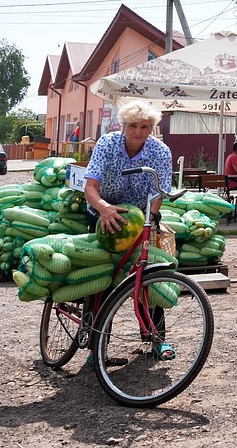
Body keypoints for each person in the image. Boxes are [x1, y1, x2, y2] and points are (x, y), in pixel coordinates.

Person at [83, 98, 176, 360]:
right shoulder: (107, 144)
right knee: (101, 278)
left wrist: (150, 218)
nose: (138, 132)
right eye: (133, 125)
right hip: (103, 213)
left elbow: (159, 191)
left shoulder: (160, 152)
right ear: (123, 126)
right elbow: (90, 187)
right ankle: (95, 347)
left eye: (145, 126)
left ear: (152, 129)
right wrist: (104, 208)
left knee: (148, 275)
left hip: (140, 217)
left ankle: (157, 339)